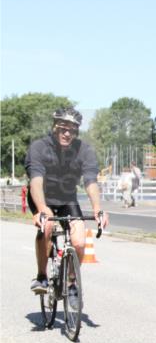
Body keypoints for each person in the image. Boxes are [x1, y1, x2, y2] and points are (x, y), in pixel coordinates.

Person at [26, 107, 109, 293]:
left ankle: (71, 281)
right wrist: (41, 208)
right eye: (63, 128)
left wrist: (97, 208)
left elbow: (90, 181)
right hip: (42, 197)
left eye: (72, 129)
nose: (67, 133)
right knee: (46, 227)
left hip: (66, 199)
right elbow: (36, 181)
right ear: (54, 127)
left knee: (79, 241)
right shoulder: (39, 147)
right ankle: (41, 276)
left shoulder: (84, 150)